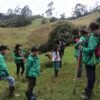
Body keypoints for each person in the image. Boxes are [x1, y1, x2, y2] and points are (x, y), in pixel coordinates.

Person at [80, 23, 100, 100]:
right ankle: (88, 90)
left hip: (90, 59)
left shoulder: (93, 37)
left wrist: (82, 48)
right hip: (94, 59)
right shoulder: (97, 35)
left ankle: (87, 94)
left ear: (91, 28)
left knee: (90, 76)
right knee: (92, 75)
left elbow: (91, 49)